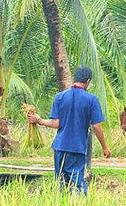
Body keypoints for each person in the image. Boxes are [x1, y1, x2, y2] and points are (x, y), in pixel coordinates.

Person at [26, 66, 111, 194]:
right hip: (76, 148)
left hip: (59, 148)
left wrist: (39, 120)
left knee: (62, 184)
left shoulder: (60, 97)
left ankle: (63, 205)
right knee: (77, 185)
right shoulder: (91, 100)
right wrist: (105, 147)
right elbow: (96, 126)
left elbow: (56, 123)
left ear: (74, 79)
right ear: (88, 81)